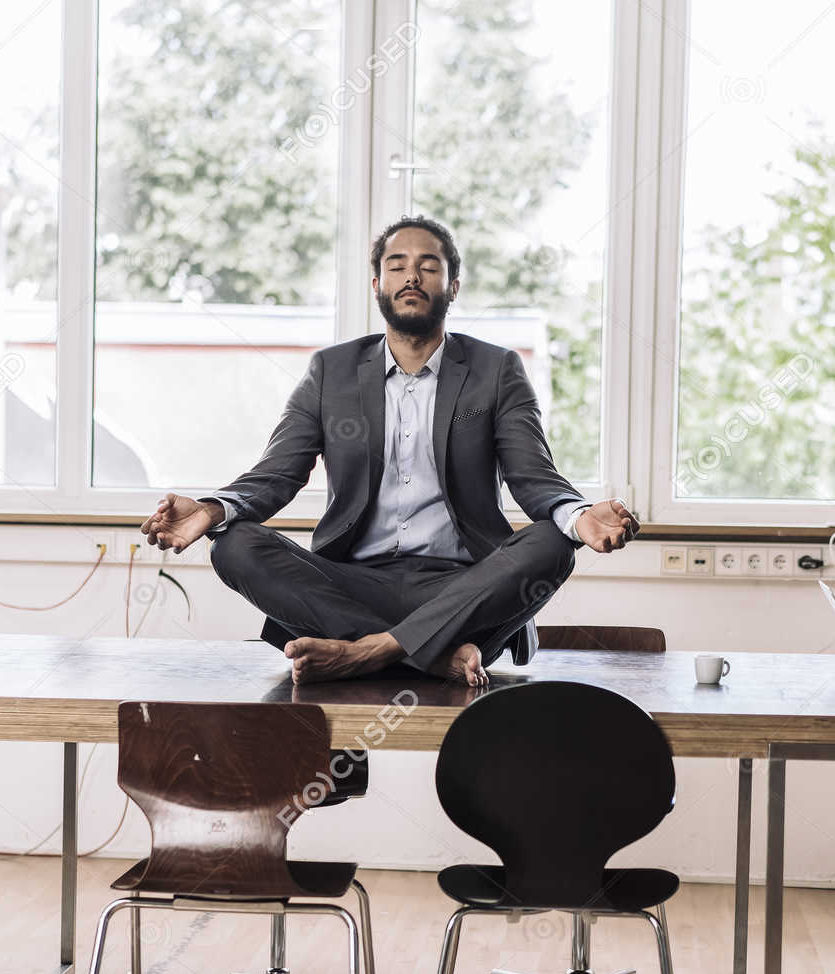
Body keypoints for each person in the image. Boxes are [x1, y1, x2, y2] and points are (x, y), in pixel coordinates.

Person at [144, 216, 638, 686]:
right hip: (350, 583)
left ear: (453, 285)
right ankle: (432, 654)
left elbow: (534, 478)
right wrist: (211, 510)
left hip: (462, 587)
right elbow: (277, 473)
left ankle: (367, 651)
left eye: (429, 265)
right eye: (397, 265)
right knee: (234, 544)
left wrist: (578, 516)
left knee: (552, 544)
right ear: (376, 283)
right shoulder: (330, 372)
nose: (412, 276)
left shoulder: (496, 370)